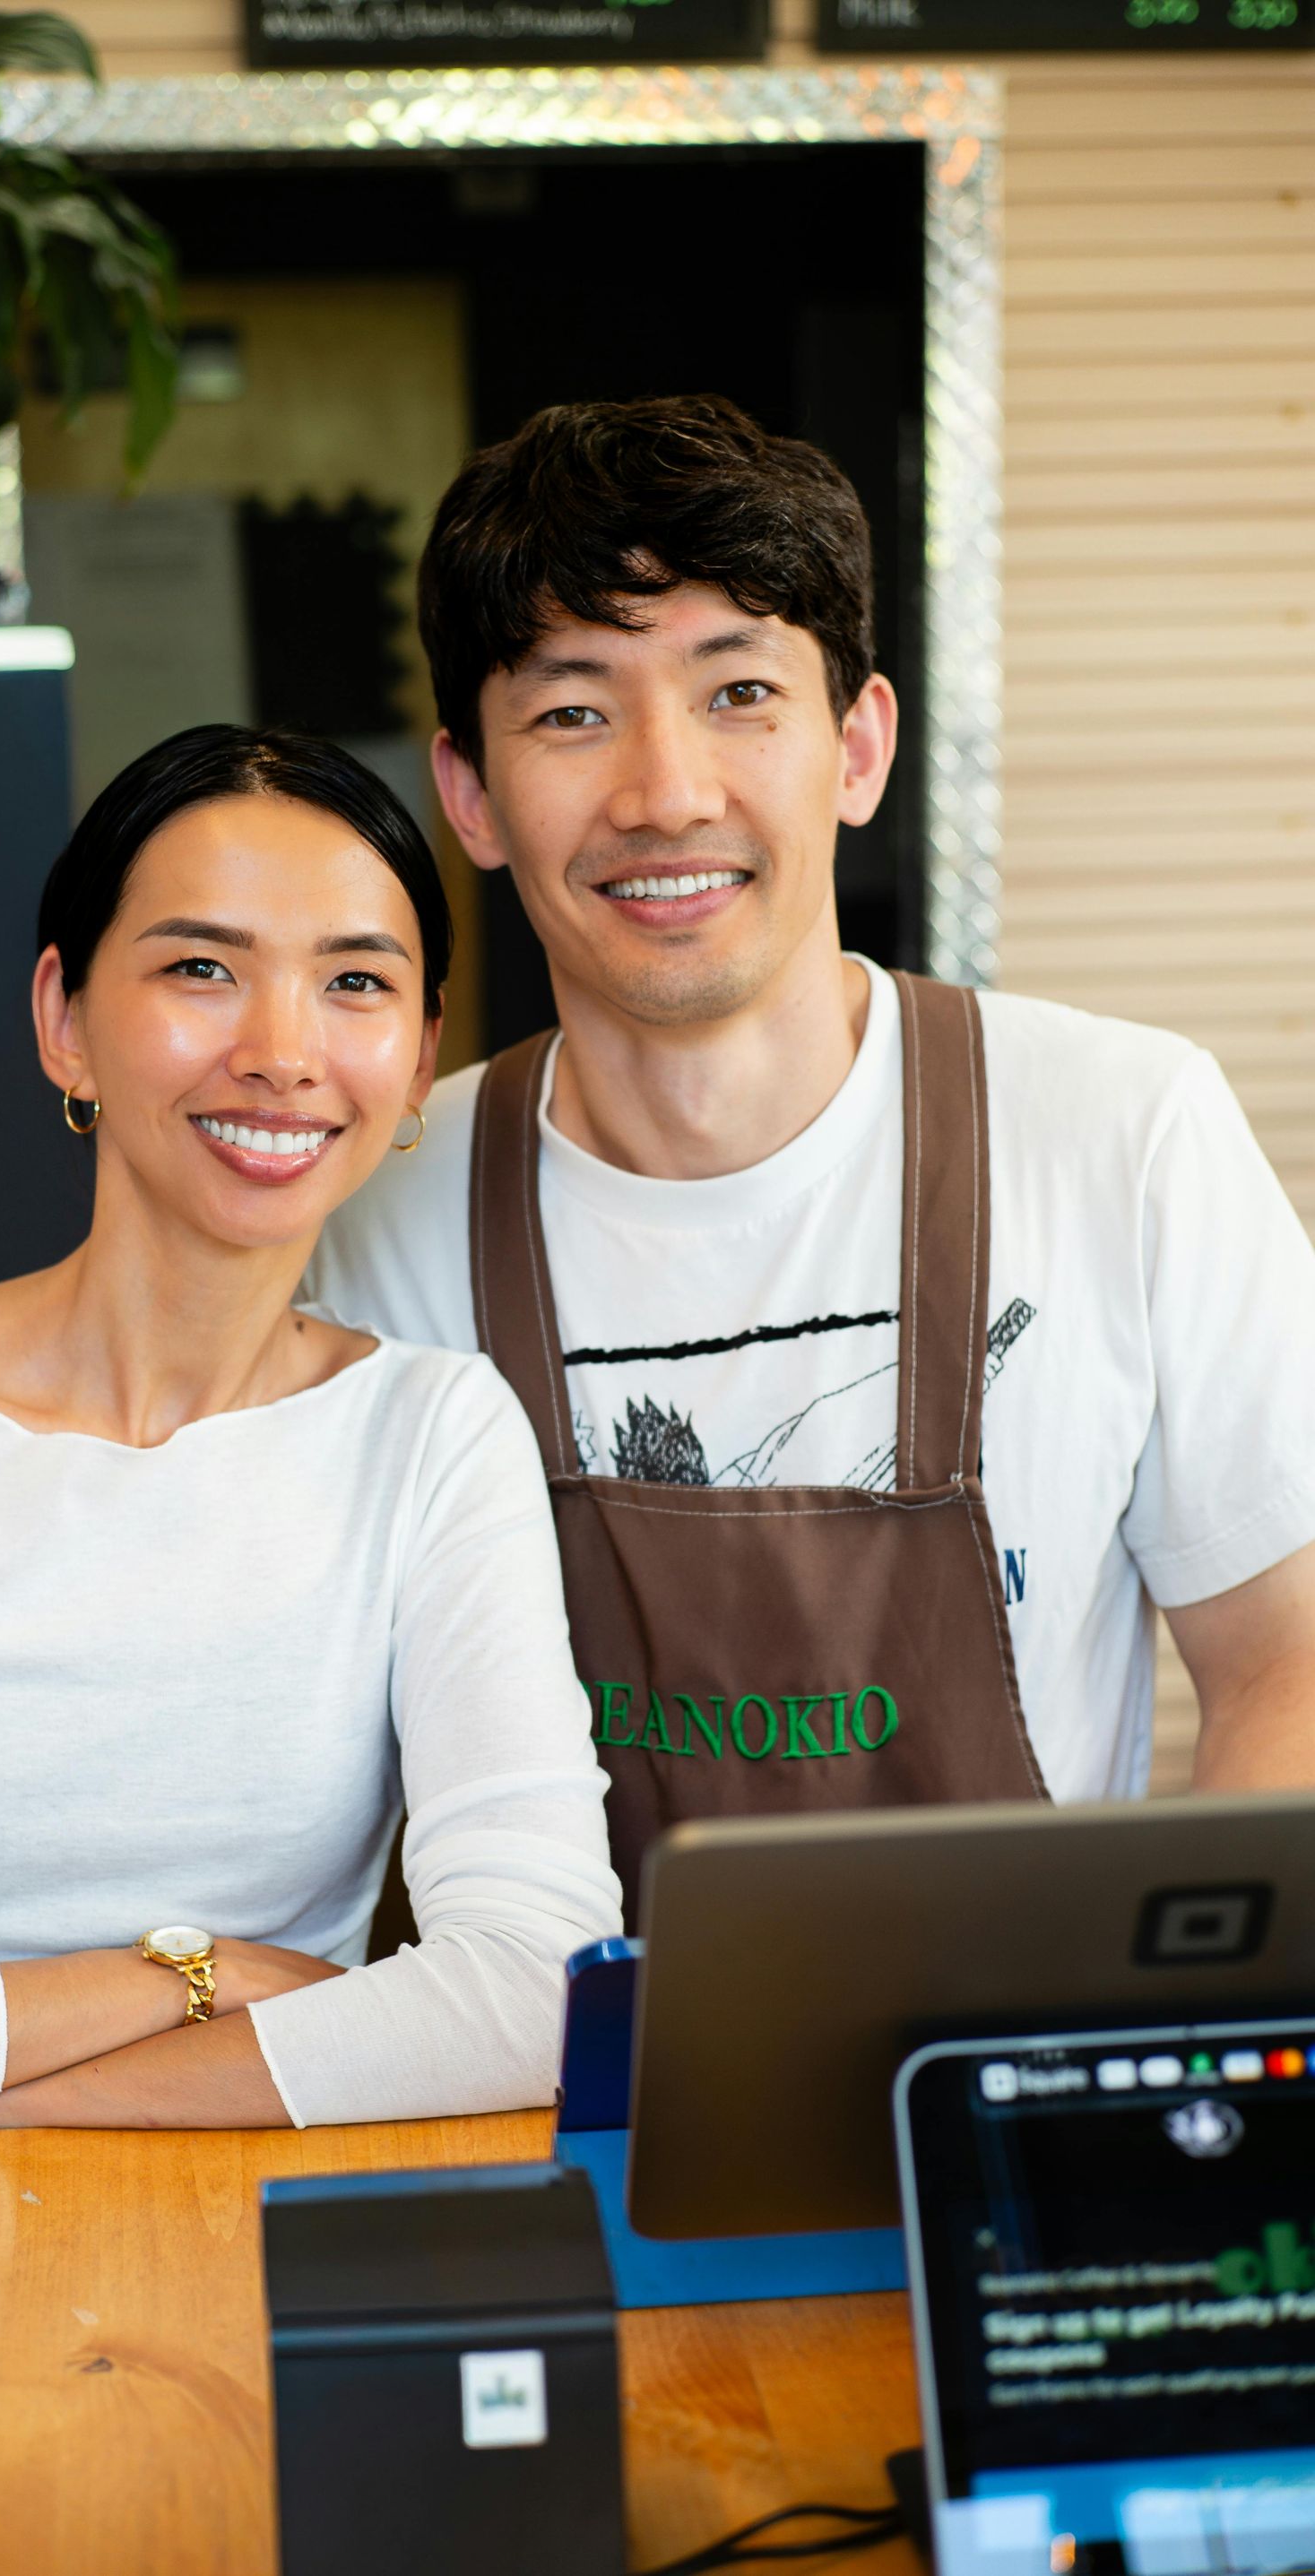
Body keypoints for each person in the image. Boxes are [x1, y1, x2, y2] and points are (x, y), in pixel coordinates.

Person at [308, 393, 1315, 1923]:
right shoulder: (375, 1204)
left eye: (738, 696)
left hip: (1003, 2097)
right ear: (471, 796)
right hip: (542, 2104)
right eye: (573, 709)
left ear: (857, 747)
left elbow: (1286, 1663)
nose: (664, 792)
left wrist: (1167, 2035)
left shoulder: (1124, 1131)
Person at [0, 725, 621, 2166]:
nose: (280, 1051)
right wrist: (183, 1977)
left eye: (355, 982)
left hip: (260, 2248)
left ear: (416, 1059)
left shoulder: (435, 1438)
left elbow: (542, 2001)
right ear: (64, 1015)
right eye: (201, 967)